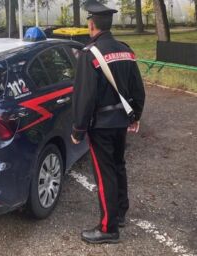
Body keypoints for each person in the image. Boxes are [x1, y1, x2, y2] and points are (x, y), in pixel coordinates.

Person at [71, 0, 146, 244]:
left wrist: (78, 129)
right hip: (120, 122)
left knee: (105, 175)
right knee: (118, 166)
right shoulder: (126, 50)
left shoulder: (88, 54)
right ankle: (120, 212)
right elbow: (137, 88)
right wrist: (135, 114)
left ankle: (108, 228)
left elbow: (85, 96)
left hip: (101, 125)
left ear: (92, 25)